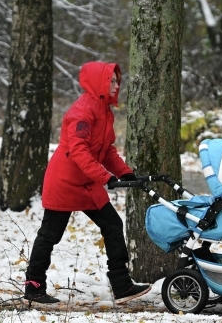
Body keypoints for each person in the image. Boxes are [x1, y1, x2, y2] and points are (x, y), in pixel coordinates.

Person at [24, 61, 150, 304]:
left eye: (116, 81)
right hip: (65, 180)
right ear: (99, 82)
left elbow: (107, 150)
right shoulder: (83, 110)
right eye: (111, 81)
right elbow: (79, 150)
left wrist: (124, 172)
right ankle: (34, 287)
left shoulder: (105, 111)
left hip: (87, 182)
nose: (116, 86)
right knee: (50, 234)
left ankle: (121, 285)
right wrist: (105, 177)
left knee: (113, 225)